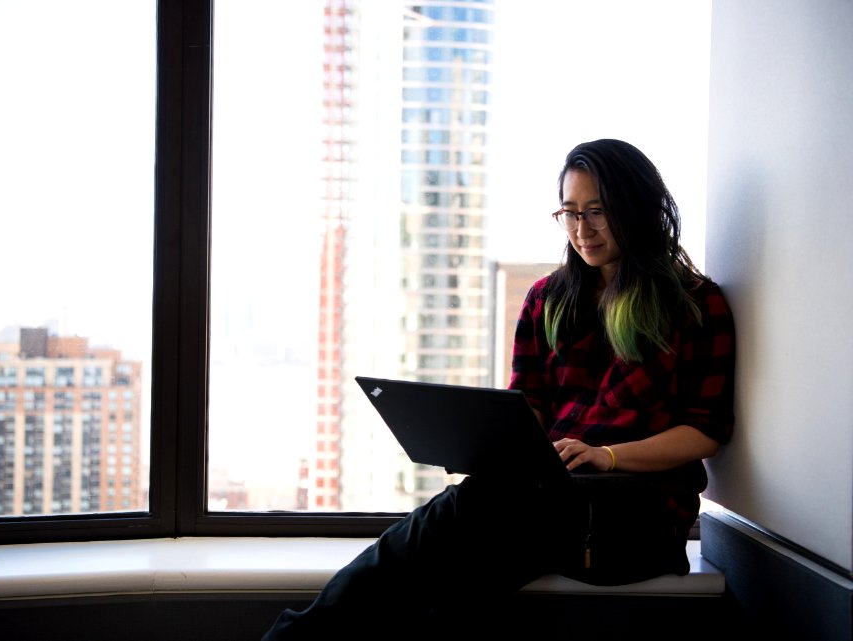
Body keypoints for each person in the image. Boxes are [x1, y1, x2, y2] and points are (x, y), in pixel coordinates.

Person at [260, 139, 735, 639]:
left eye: (597, 211)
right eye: (569, 213)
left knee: (457, 520)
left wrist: (607, 456)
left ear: (634, 207)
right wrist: (487, 444)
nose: (581, 229)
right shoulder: (548, 300)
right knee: (449, 594)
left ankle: (290, 637)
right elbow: (528, 406)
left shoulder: (696, 305)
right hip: (544, 506)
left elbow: (704, 433)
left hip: (638, 517)